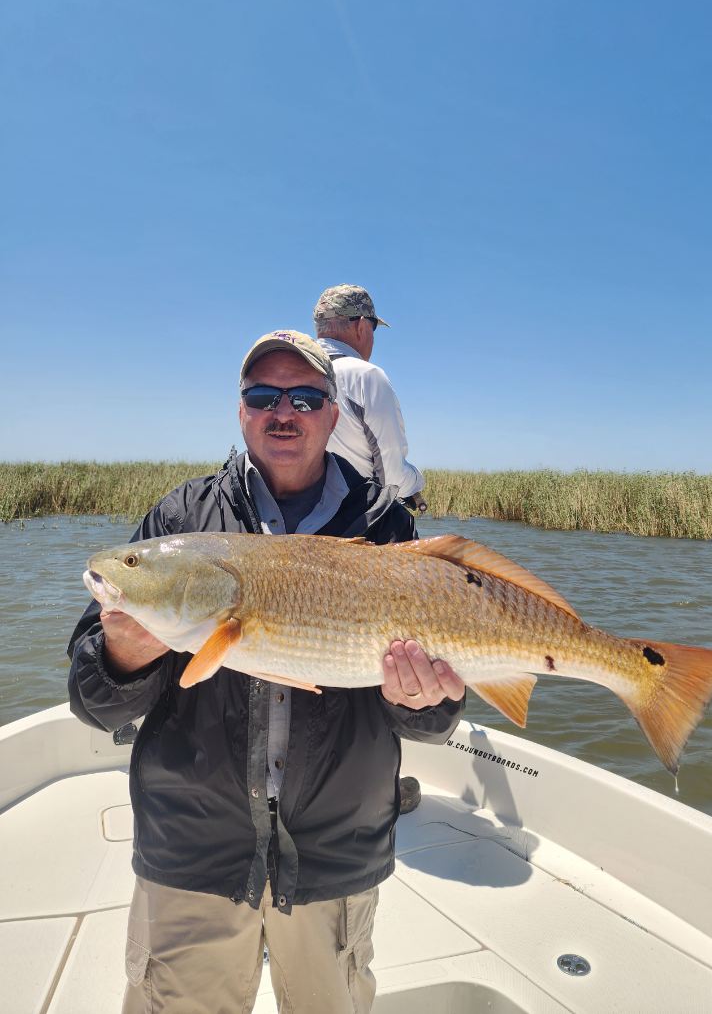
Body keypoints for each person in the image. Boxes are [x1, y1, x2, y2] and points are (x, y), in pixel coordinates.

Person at [67, 329, 466, 1014]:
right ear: (241, 409)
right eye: (262, 394)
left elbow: (434, 715)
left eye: (306, 395)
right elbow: (91, 700)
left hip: (334, 860)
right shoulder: (180, 521)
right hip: (192, 854)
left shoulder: (387, 529)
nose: (284, 410)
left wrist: (424, 699)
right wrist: (123, 658)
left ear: (333, 416)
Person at [313, 284, 427, 513]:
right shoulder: (365, 376)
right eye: (374, 329)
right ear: (362, 326)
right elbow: (392, 477)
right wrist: (417, 482)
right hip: (351, 527)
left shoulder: (291, 370)